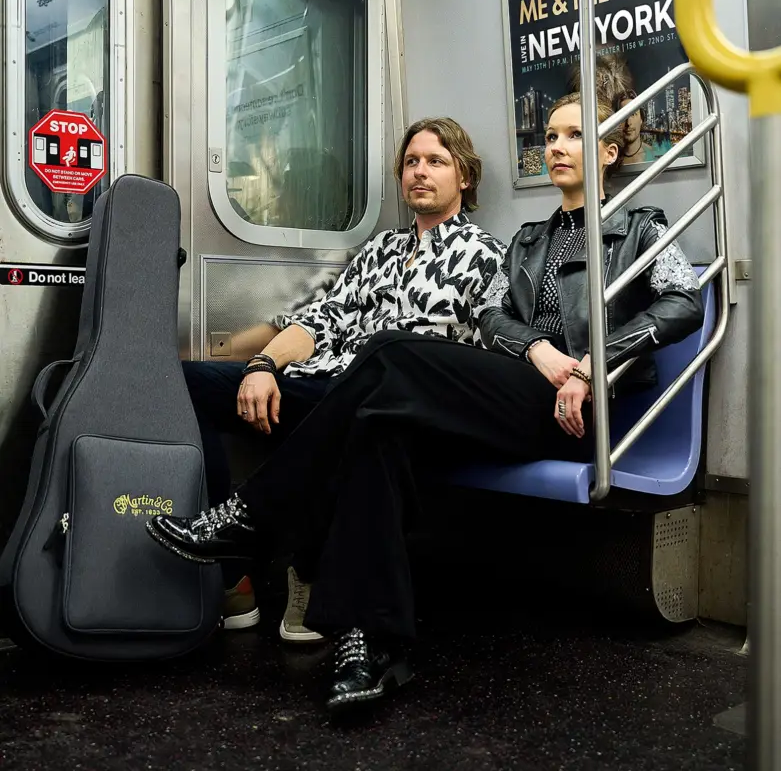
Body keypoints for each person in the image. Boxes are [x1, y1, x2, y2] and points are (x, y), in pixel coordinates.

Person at [147, 82, 704, 715]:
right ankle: (370, 643)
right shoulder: (528, 240)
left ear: (608, 152)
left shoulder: (640, 227)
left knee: (388, 351)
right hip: (526, 384)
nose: (556, 146)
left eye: (575, 136)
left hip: (579, 409)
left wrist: (588, 365)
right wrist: (539, 351)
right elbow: (493, 317)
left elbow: (682, 304)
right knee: (377, 431)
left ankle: (251, 516)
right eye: (550, 135)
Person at [180, 117, 505, 639]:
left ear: (464, 177)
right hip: (322, 380)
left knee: (353, 415)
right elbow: (320, 320)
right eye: (411, 162)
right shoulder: (380, 249)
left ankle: (307, 567)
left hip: (390, 401)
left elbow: (481, 354)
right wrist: (263, 365)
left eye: (436, 162)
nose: (420, 172)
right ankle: (233, 573)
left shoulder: (486, 256)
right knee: (187, 384)